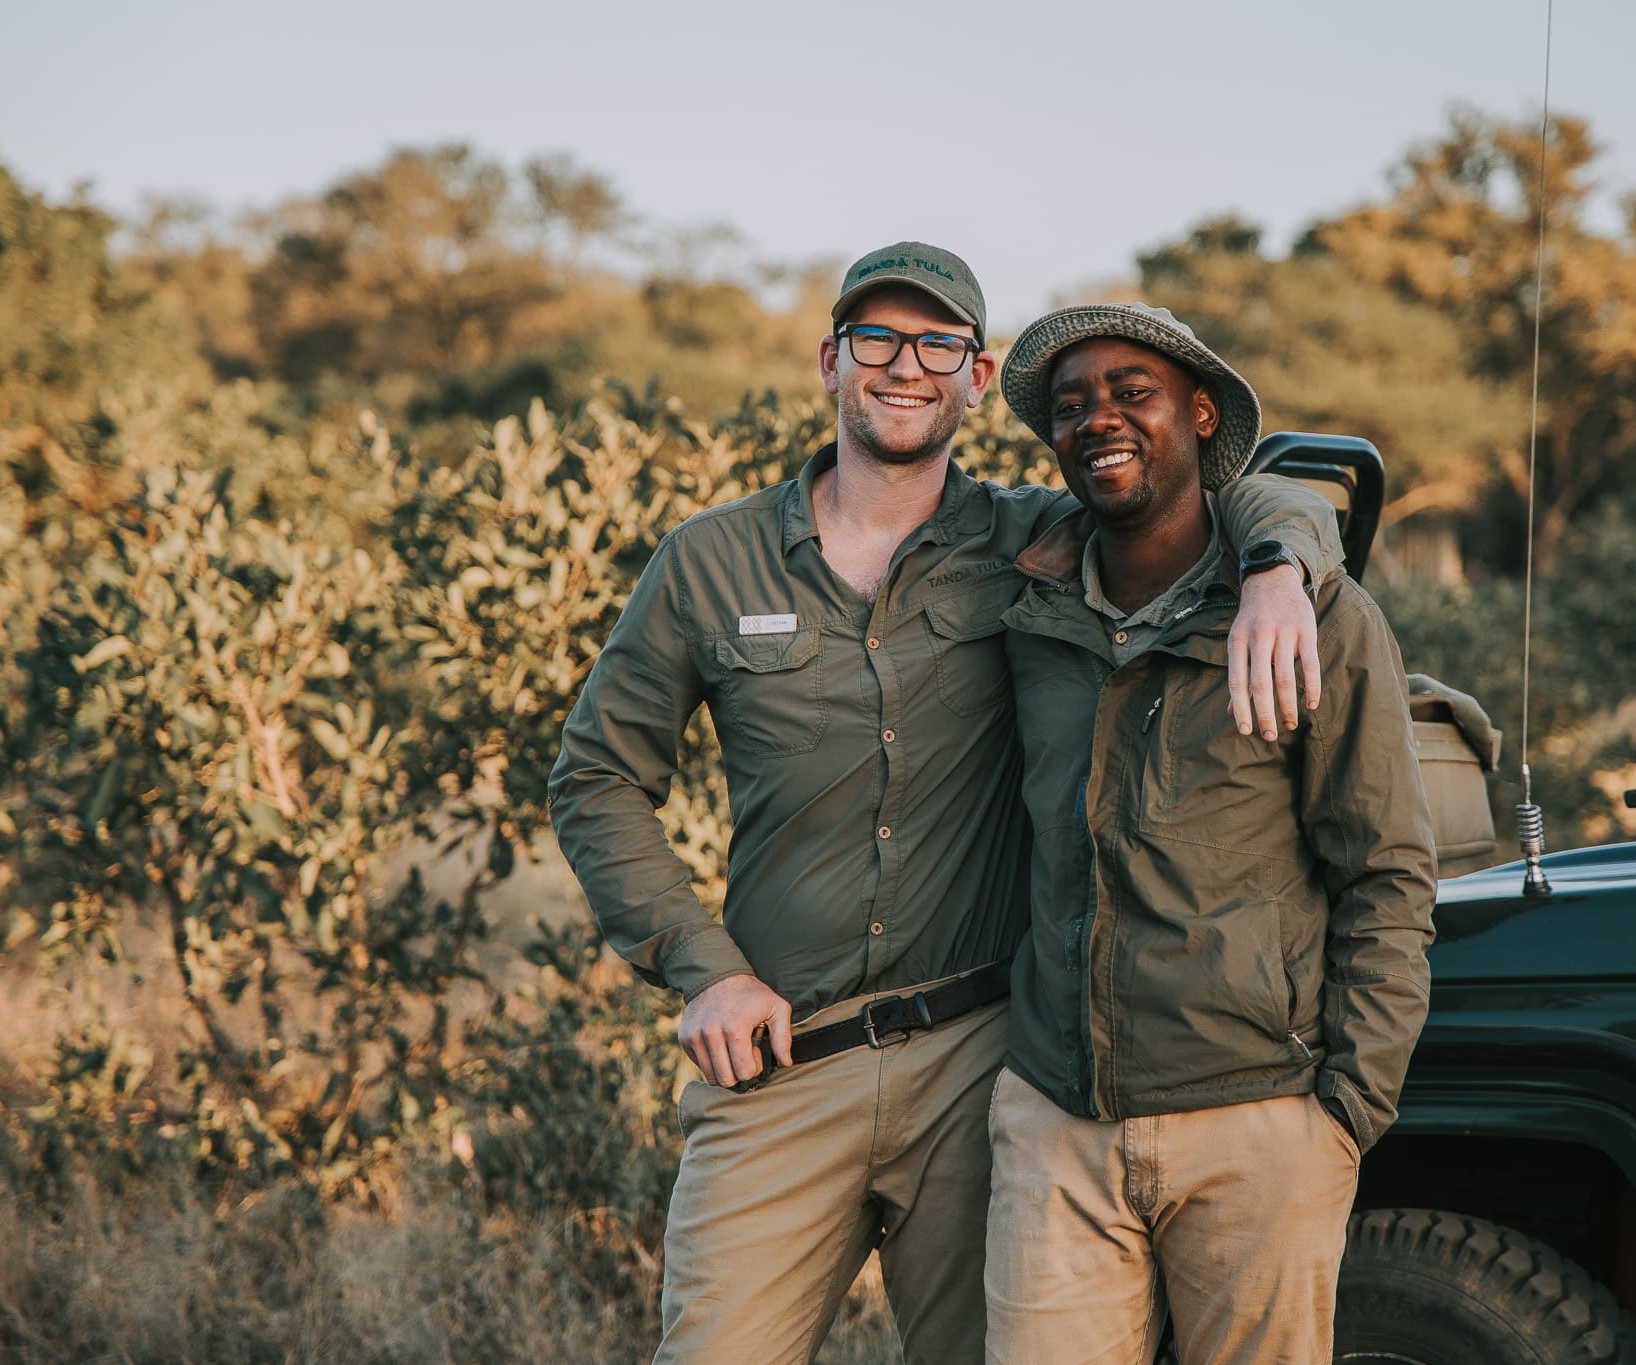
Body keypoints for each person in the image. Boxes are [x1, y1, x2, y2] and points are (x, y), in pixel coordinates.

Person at [546, 245, 1342, 1365]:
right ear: (831, 361)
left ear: (977, 378)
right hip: (779, 1065)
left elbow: (1235, 489)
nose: (904, 366)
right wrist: (702, 967)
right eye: (877, 338)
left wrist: (1273, 567)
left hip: (981, 1064)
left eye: (939, 344)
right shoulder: (708, 561)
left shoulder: (1034, 537)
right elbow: (594, 777)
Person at [985, 303, 1438, 1363]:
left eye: (1130, 393)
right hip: (1055, 1124)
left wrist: (1343, 1113)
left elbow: (1384, 871)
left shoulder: (1314, 618)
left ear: (1199, 414)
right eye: (1070, 405)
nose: (1097, 418)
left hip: (1258, 1122)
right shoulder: (1025, 611)